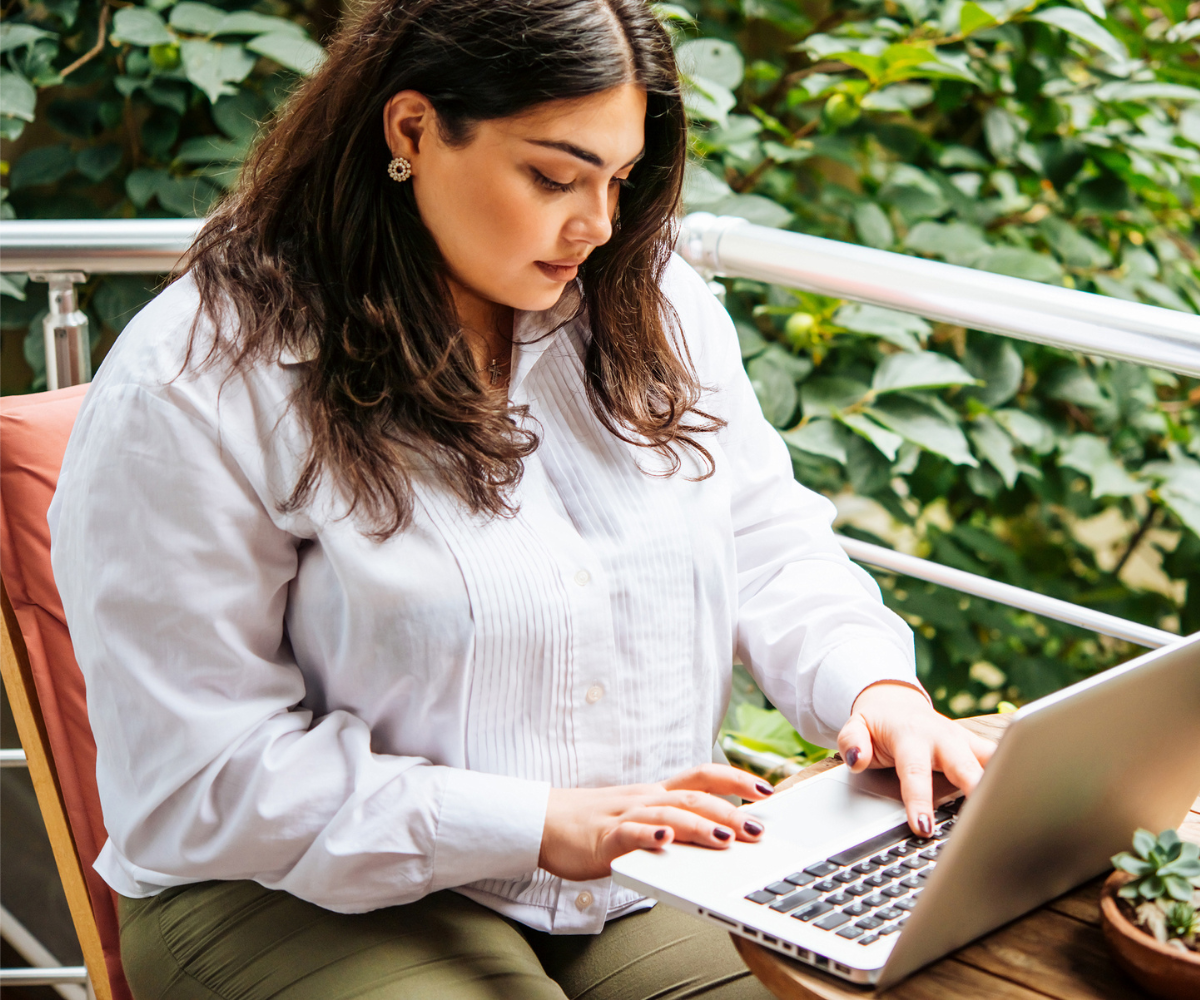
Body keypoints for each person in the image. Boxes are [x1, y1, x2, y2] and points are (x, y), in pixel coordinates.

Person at [49, 1, 995, 997]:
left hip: (620, 868)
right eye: (553, 175)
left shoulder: (649, 302)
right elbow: (204, 773)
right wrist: (536, 822)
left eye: (621, 177)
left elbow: (764, 541)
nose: (598, 223)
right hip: (281, 890)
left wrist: (873, 686)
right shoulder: (199, 381)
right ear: (411, 129)